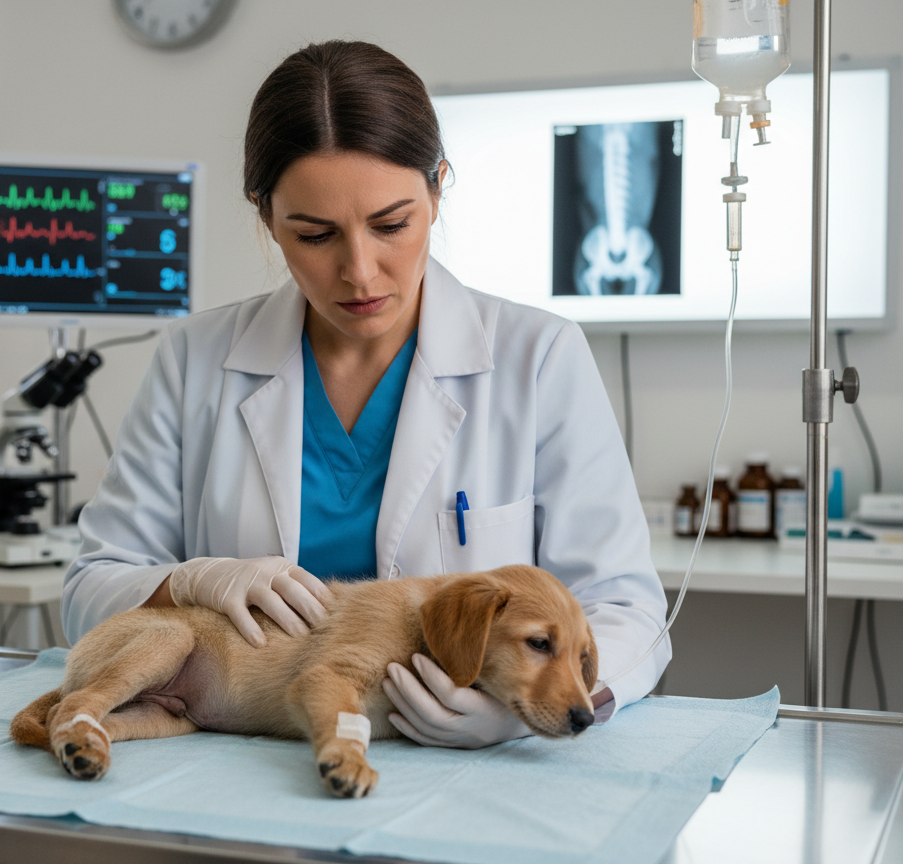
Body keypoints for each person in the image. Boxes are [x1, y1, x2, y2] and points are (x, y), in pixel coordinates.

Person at [63, 40, 670, 748]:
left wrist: (515, 715)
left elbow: (625, 606)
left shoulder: (540, 357)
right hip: (227, 759)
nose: (360, 270)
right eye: (315, 234)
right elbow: (90, 591)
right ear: (265, 217)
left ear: (438, 189)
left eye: (391, 225)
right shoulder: (194, 360)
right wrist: (194, 583)